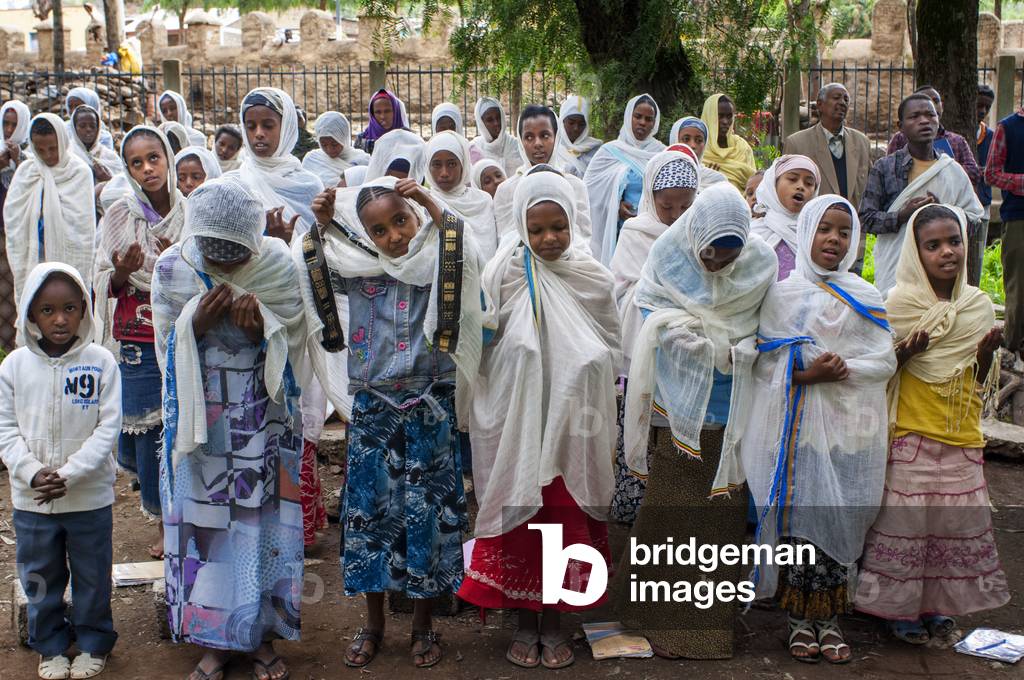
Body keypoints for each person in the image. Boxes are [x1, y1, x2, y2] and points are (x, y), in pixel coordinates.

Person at [298, 175, 483, 670]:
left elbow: (463, 247)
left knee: (428, 519)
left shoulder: (435, 260)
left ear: (415, 216)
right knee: (369, 521)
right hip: (375, 408)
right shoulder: (357, 269)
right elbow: (317, 266)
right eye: (379, 230)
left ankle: (424, 623)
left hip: (430, 405)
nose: (394, 236)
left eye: (401, 220)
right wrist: (321, 227)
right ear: (366, 236)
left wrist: (428, 198)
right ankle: (374, 624)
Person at [458, 168, 619, 670]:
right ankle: (524, 622)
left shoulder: (591, 276)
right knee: (525, 521)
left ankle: (556, 624)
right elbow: (482, 342)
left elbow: (610, 348)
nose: (549, 239)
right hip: (519, 426)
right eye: (537, 229)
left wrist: (578, 360)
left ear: (573, 222)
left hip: (574, 426)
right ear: (520, 230)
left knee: (566, 520)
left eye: (559, 227)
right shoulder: (502, 272)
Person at [152, 178, 308, 680]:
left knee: (260, 525)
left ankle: (258, 635)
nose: (222, 261)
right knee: (208, 528)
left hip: (264, 422)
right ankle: (215, 640)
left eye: (233, 253)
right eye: (213, 251)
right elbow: (164, 348)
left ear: (253, 241)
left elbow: (297, 332)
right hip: (201, 434)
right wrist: (192, 328)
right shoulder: (172, 268)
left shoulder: (278, 265)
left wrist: (263, 331)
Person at [614, 182, 776, 660]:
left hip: (734, 405)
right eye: (709, 256)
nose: (718, 266)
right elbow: (651, 310)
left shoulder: (760, 262)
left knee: (721, 515)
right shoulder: (669, 253)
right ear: (695, 237)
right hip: (678, 400)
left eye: (728, 257)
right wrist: (696, 340)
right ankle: (652, 618)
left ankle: (706, 626)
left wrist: (739, 348)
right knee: (672, 511)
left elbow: (767, 323)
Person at [741, 195, 896, 664]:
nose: (833, 239)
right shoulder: (782, 294)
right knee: (799, 528)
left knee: (836, 520)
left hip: (849, 433)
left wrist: (843, 367)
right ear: (806, 231)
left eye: (843, 232)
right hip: (797, 435)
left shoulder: (864, 294)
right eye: (824, 229)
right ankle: (796, 622)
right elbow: (763, 361)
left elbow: (884, 359)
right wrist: (808, 374)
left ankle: (828, 621)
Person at [854, 204, 1009, 643]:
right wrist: (905, 353)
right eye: (933, 245)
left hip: (960, 437)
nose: (947, 252)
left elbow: (977, 382)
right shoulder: (898, 305)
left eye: (954, 241)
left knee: (948, 529)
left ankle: (936, 607)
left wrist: (984, 355)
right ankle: (897, 612)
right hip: (912, 435)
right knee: (906, 529)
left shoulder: (976, 307)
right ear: (914, 253)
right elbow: (879, 371)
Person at [0, 262, 121, 680]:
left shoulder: (101, 362)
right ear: (31, 313)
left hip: (89, 499)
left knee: (92, 576)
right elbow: (6, 429)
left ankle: (92, 642)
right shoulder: (13, 367)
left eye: (70, 308)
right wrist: (32, 473)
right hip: (33, 501)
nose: (60, 319)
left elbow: (108, 428)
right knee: (39, 577)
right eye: (48, 310)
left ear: (85, 310)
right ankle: (49, 645)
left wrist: (69, 473)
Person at [95, 127, 185, 561]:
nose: (147, 168)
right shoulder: (118, 215)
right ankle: (166, 520)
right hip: (138, 341)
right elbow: (101, 283)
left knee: (184, 427)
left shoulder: (190, 213)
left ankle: (189, 515)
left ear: (167, 159)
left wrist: (177, 260)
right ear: (127, 169)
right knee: (152, 432)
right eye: (136, 162)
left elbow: (206, 274)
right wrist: (120, 271)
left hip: (185, 335)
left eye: (154, 158)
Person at [609, 149, 699, 525]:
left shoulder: (701, 231)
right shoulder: (636, 232)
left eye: (685, 206)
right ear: (650, 199)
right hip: (644, 352)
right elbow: (621, 293)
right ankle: (634, 513)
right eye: (667, 207)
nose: (677, 216)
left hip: (684, 353)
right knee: (643, 432)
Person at [859, 94, 983, 297]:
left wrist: (945, 215)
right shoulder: (885, 168)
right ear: (901, 126)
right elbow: (866, 218)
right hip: (896, 271)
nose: (924, 121)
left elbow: (975, 219)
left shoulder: (952, 170)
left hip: (942, 272)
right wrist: (901, 215)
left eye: (930, 115)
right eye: (915, 116)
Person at [3, 113, 95, 308]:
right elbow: (12, 215)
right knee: (35, 308)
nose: (48, 156)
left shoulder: (79, 172)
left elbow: (82, 227)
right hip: (33, 256)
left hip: (67, 257)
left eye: (53, 148)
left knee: (67, 306)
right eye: (40, 150)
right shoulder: (26, 172)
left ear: (62, 140)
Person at [229, 87, 325, 244]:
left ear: (286, 127)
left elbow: (323, 244)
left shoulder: (309, 186)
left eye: (268, 125)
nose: (258, 133)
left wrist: (285, 241)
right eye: (251, 126)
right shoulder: (235, 183)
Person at [493, 105, 592, 251]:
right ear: (520, 141)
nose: (537, 143)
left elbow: (583, 238)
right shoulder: (506, 190)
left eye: (545, 135)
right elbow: (505, 242)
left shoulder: (574, 186)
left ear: (556, 137)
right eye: (529, 137)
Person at [584, 94, 666, 265]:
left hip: (653, 233)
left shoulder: (662, 154)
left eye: (649, 119)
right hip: (619, 233)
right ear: (629, 117)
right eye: (638, 116)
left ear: (655, 123)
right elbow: (590, 193)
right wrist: (615, 206)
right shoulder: (609, 152)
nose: (642, 122)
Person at [984, 99, 1024, 357]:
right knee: (1019, 285)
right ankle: (1012, 344)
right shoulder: (1008, 127)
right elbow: (991, 173)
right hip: (1019, 216)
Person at [886, 86, 980, 187]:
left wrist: (943, 171)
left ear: (942, 107)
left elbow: (973, 173)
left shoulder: (957, 140)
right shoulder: (900, 138)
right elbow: (889, 173)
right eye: (925, 100)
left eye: (936, 101)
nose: (932, 105)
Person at [426, 130, 498, 260]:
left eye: (452, 164)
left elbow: (489, 252)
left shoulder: (482, 201)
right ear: (428, 167)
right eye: (437, 165)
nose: (444, 173)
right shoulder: (425, 203)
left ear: (463, 165)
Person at [751, 154, 821, 280]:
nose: (800, 186)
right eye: (792, 179)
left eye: (809, 183)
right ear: (774, 183)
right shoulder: (753, 232)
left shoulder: (816, 237)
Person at [0, 100, 31, 351]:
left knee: (16, 292)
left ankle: (15, 347)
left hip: (23, 237)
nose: (9, 130)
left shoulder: (32, 158)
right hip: (1, 237)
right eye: (5, 124)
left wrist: (19, 162)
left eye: (14, 124)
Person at [700, 93, 756, 191]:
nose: (725, 122)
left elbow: (755, 186)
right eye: (720, 116)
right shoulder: (699, 150)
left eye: (729, 116)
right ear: (709, 116)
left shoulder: (742, 147)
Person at [302, 111, 370, 187]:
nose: (329, 150)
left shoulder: (362, 160)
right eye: (323, 145)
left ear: (344, 138)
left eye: (335, 144)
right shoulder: (312, 160)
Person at [971, 83, 995, 286]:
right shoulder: (957, 134)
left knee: (977, 259)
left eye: (987, 107)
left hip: (982, 206)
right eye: (979, 105)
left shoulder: (991, 137)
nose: (982, 111)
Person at [69, 105, 121, 190]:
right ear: (74, 128)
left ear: (98, 128)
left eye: (93, 126)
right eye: (82, 126)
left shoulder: (110, 157)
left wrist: (108, 180)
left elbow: (123, 186)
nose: (88, 129)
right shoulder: (68, 154)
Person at [667, 116, 728, 188]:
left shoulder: (717, 181)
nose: (692, 145)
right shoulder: (661, 175)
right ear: (675, 140)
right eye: (686, 139)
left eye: (699, 140)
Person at [470, 97, 523, 176]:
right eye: (490, 120)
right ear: (481, 123)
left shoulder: (516, 145)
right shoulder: (474, 148)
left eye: (498, 117)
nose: (496, 123)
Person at [553, 95, 602, 178]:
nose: (576, 128)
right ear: (562, 121)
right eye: (571, 123)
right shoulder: (553, 146)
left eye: (581, 124)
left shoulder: (595, 149)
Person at [354, 88, 408, 154]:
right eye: (378, 112)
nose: (383, 116)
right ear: (372, 114)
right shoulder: (362, 140)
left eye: (387, 111)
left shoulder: (408, 139)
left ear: (396, 112)